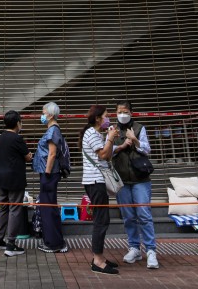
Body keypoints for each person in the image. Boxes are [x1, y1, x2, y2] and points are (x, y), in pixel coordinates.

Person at [110, 100, 158, 269]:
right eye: (119, 111)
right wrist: (120, 144)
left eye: (125, 111)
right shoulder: (112, 130)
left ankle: (151, 251)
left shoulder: (139, 127)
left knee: (144, 214)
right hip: (121, 180)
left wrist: (135, 140)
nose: (122, 114)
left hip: (140, 180)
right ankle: (134, 248)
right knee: (128, 216)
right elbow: (107, 151)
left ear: (131, 112)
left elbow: (147, 150)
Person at [81, 104, 121, 274]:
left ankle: (100, 257)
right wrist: (110, 137)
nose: (108, 118)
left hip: (97, 181)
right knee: (101, 220)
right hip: (95, 181)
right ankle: (97, 260)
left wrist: (109, 138)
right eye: (106, 116)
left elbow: (107, 154)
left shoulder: (96, 133)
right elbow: (103, 155)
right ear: (98, 118)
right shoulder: (91, 133)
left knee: (102, 218)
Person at [0, 110, 32, 257]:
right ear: (17, 123)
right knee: (15, 209)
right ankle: (11, 244)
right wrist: (30, 155)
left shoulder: (2, 137)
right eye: (20, 121)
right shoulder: (17, 138)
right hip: (15, 179)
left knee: (4, 208)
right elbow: (28, 157)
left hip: (1, 178)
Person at [33, 101, 69, 254]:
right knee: (48, 207)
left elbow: (52, 154)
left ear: (51, 114)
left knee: (47, 208)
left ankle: (54, 243)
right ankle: (55, 241)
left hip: (49, 174)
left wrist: (47, 173)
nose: (42, 115)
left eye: (43, 112)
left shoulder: (53, 130)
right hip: (49, 174)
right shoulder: (53, 130)